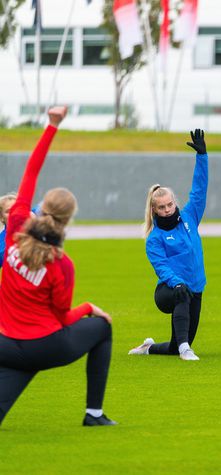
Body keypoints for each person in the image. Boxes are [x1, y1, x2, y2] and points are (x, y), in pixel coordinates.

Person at [0, 106, 115, 427]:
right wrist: (90, 307)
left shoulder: (17, 223)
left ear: (42, 208)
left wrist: (52, 126)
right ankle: (94, 415)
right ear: (68, 220)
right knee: (102, 329)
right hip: (42, 348)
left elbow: (30, 172)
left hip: (5, 345)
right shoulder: (62, 265)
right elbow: (63, 317)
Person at [128, 130, 208, 361]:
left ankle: (150, 347)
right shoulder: (154, 238)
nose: (167, 210)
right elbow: (162, 267)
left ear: (175, 203)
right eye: (161, 207)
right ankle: (186, 350)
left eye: (169, 205)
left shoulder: (190, 217)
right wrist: (177, 282)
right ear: (154, 210)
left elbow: (199, 190)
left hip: (196, 288)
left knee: (174, 344)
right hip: (168, 292)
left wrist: (202, 157)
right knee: (182, 293)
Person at [0, 193, 18, 267]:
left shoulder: (35, 232)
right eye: (8, 211)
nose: (13, 213)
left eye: (16, 209)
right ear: (1, 217)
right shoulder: (1, 244)